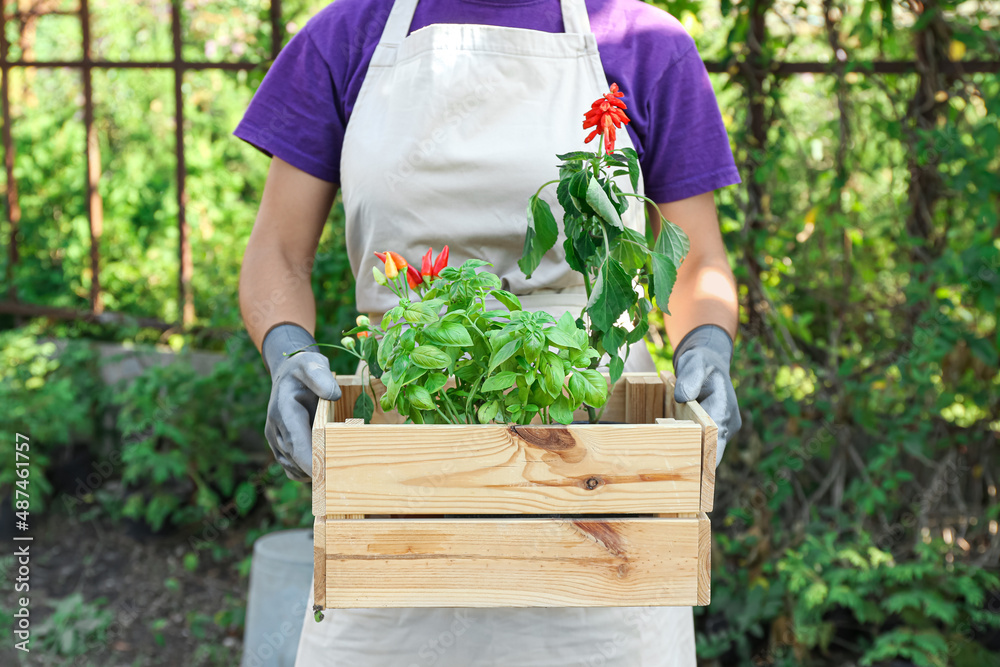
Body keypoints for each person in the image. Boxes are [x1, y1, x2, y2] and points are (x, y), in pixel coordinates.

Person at [235, 0, 742, 664]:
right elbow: (276, 249)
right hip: (399, 467)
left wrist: (706, 345)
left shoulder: (644, 43)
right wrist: (286, 351)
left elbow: (697, 259)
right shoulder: (347, 36)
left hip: (600, 475)